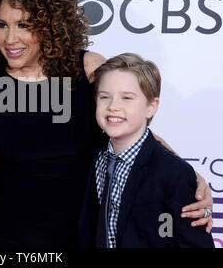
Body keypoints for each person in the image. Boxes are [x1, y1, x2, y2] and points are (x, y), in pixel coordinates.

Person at [0, 0, 213, 248]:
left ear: (49, 25)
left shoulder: (87, 69)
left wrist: (192, 181)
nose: (10, 38)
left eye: (24, 25)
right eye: (1, 24)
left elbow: (133, 134)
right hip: (5, 239)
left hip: (83, 238)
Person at [79, 53, 215, 248]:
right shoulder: (95, 157)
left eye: (127, 98)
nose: (113, 106)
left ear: (151, 107)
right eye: (105, 97)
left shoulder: (173, 172)